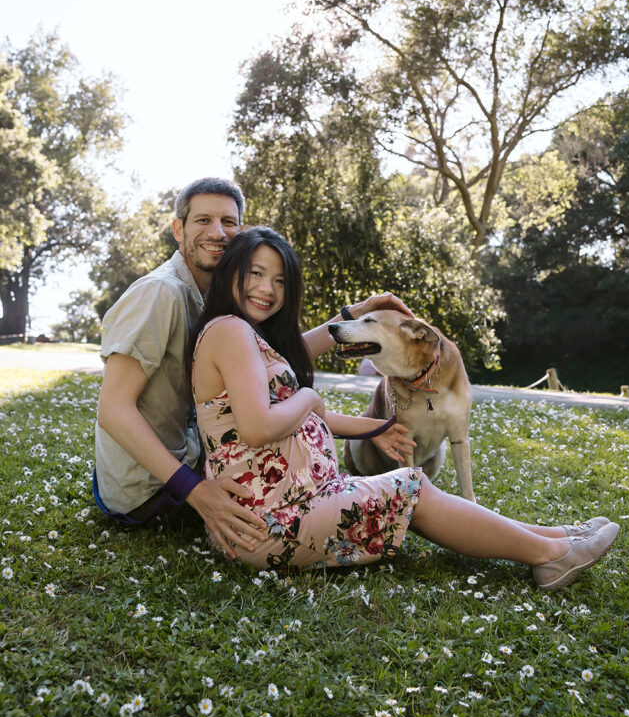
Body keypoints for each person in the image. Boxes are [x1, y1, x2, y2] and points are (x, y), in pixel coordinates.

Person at [191, 226, 620, 591]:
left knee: (410, 484)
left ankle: (559, 536)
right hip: (269, 524)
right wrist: (309, 397)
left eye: (281, 280)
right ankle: (551, 555)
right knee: (409, 488)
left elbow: (305, 418)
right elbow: (257, 427)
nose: (268, 288)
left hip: (297, 503)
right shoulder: (230, 331)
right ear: (232, 272)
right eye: (256, 274)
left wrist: (372, 428)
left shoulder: (248, 336)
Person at [95, 177, 414, 557]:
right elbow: (113, 409)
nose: (218, 232)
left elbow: (280, 360)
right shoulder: (160, 293)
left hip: (188, 464)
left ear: (240, 230)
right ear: (178, 228)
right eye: (202, 220)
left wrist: (350, 317)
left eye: (228, 222)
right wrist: (193, 490)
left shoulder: (214, 297)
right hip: (150, 489)